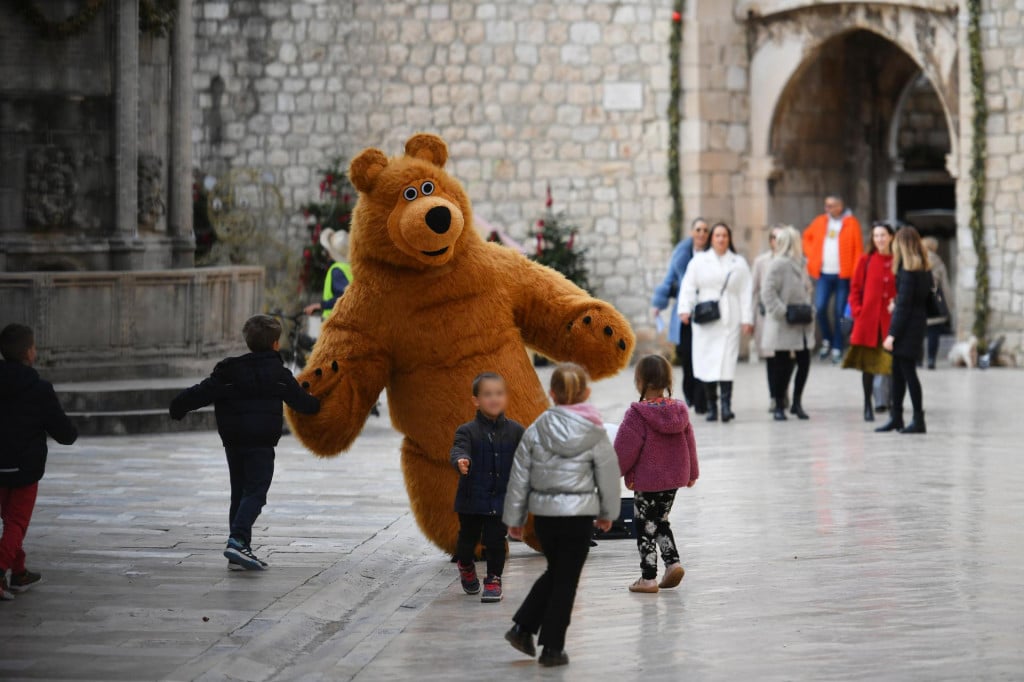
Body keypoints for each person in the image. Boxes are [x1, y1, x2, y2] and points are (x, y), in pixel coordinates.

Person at [169, 314, 320, 570]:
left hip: (234, 441)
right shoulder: (279, 374)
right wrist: (325, 403)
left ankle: (240, 549)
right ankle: (238, 541)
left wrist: (178, 407)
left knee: (239, 493)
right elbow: (304, 404)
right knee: (256, 493)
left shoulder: (229, 370)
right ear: (275, 344)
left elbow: (201, 392)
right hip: (261, 443)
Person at [503, 363, 620, 668]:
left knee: (557, 572)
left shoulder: (536, 428)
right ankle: (552, 648)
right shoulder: (594, 431)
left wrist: (514, 519)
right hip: (579, 517)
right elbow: (607, 473)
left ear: (551, 394)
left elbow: (519, 475)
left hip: (545, 517)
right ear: (587, 393)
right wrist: (608, 513)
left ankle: (523, 628)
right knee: (565, 579)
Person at [0, 324, 78, 601]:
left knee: (8, 519)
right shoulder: (38, 387)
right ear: (29, 352)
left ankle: (19, 571)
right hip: (24, 467)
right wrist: (71, 433)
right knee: (17, 522)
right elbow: (62, 431)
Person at [612, 355, 698, 594]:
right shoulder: (679, 411)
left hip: (648, 480)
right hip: (674, 480)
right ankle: (673, 563)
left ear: (639, 381)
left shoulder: (637, 415)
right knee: (660, 520)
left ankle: (648, 577)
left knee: (644, 525)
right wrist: (693, 473)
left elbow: (624, 450)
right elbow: (689, 442)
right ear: (668, 381)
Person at [450, 372, 525, 603]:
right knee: (466, 544)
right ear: (476, 400)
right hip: (472, 500)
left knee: (495, 541)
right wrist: (461, 460)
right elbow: (458, 449)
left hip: (500, 499)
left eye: (499, 394)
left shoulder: (515, 431)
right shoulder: (467, 430)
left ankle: (493, 579)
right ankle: (465, 564)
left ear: (506, 398)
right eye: (487, 394)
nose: (494, 399)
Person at [677, 222, 754, 423]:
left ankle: (726, 406)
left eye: (724, 236)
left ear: (729, 238)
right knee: (707, 361)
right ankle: (712, 406)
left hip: (730, 317)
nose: (721, 239)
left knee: (727, 361)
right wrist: (685, 308)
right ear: (712, 238)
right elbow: (688, 285)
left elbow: (746, 292)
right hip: (706, 317)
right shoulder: (699, 261)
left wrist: (747, 318)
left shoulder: (738, 263)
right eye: (717, 235)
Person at [651, 217, 710, 413]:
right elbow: (669, 281)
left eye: (704, 230)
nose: (701, 234)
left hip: (706, 313)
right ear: (692, 232)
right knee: (687, 356)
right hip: (685, 314)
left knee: (704, 356)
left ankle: (703, 399)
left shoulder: (712, 256)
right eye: (698, 230)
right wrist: (659, 303)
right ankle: (691, 393)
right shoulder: (681, 255)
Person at [878, 227, 932, 434]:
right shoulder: (924, 269)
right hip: (916, 323)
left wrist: (892, 335)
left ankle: (918, 420)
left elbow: (904, 308)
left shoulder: (908, 272)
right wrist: (899, 301)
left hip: (907, 328)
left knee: (908, 373)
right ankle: (897, 417)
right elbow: (914, 300)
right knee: (898, 373)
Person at [842, 222, 896, 422]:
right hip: (868, 321)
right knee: (869, 367)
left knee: (892, 364)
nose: (880, 239)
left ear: (891, 237)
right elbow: (854, 289)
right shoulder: (865, 261)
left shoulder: (897, 261)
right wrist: (858, 311)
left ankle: (893, 404)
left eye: (883, 235)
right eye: (876, 236)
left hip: (891, 321)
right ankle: (867, 404)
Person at [760, 226, 815, 421]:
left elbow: (806, 287)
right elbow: (767, 292)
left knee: (804, 362)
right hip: (783, 322)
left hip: (801, 320)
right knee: (781, 365)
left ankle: (797, 402)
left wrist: (808, 305)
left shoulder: (802, 263)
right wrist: (783, 311)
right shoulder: (778, 264)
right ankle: (779, 402)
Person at [802, 195, 864, 363]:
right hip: (824, 273)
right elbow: (806, 238)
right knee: (820, 307)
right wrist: (812, 255)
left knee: (839, 311)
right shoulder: (821, 221)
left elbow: (858, 249)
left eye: (831, 205)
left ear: (840, 206)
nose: (827, 208)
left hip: (843, 274)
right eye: (826, 205)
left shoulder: (851, 223)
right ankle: (827, 339)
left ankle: (837, 345)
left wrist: (857, 273)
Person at [752, 226, 782, 411]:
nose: (777, 242)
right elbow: (754, 290)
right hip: (766, 315)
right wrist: (750, 317)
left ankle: (783, 391)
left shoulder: (796, 260)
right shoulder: (761, 262)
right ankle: (774, 395)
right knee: (771, 358)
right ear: (770, 240)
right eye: (774, 238)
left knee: (788, 358)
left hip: (787, 317)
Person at [303, 228, 353, 318]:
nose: (325, 253)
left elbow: (344, 296)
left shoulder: (337, 270)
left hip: (336, 323)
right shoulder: (350, 268)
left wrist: (321, 305)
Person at [922, 237, 953, 370]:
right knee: (933, 332)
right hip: (935, 300)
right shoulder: (939, 262)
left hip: (920, 300)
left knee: (917, 332)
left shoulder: (917, 260)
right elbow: (945, 285)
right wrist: (949, 305)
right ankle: (931, 360)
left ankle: (917, 360)